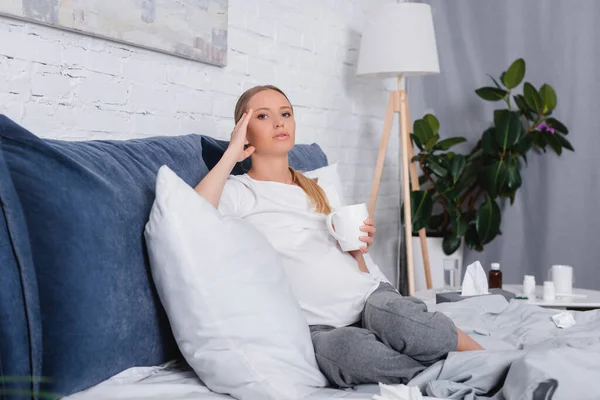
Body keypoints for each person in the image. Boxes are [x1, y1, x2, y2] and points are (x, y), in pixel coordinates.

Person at [194, 85, 483, 388]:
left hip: (367, 296)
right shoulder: (240, 191)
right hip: (317, 325)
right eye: (263, 116)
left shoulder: (319, 187)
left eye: (286, 114)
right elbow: (192, 214)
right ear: (244, 130)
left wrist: (360, 249)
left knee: (402, 321)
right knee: (350, 354)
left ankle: (485, 359)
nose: (279, 122)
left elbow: (356, 263)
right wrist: (230, 154)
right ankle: (449, 379)